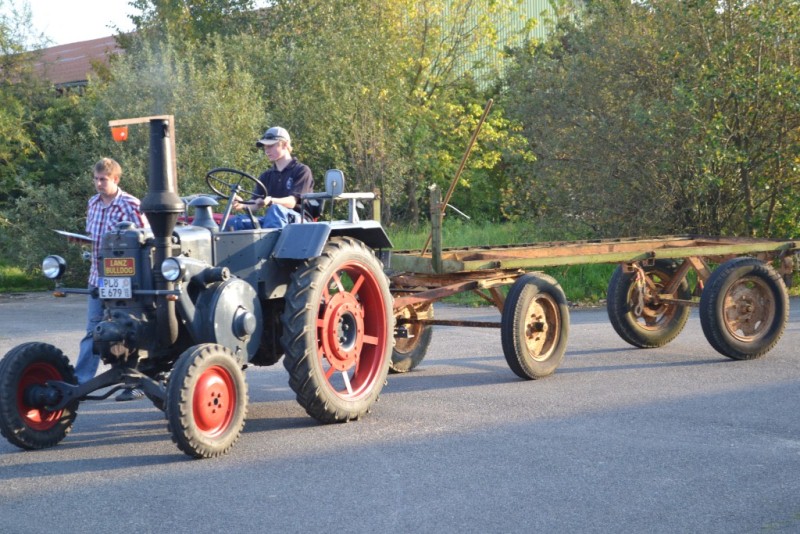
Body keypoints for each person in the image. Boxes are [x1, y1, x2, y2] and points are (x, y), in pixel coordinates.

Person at [74, 158, 149, 401]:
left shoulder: (130, 204)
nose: (98, 183)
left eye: (103, 179)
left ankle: (135, 381)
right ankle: (81, 383)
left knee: (130, 330)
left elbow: (146, 239)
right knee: (94, 330)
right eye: (96, 179)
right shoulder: (93, 203)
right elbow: (95, 239)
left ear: (115, 179)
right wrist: (80, 242)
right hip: (98, 277)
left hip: (126, 279)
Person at [227, 126, 313, 230]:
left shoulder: (302, 170)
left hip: (300, 221)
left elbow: (292, 202)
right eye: (265, 147)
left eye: (270, 146)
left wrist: (271, 201)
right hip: (273, 219)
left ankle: (269, 240)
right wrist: (242, 204)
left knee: (275, 210)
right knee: (235, 222)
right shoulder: (266, 176)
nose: (266, 151)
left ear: (285, 144)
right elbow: (255, 204)